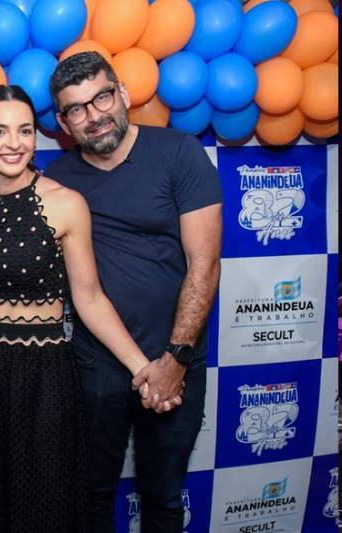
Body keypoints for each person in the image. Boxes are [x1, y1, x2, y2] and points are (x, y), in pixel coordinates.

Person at [0, 84, 160, 533]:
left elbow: (90, 298)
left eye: (25, 130)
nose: (13, 143)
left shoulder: (66, 203)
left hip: (44, 376)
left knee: (43, 506)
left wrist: (142, 368)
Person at [46, 51, 222, 532]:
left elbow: (204, 265)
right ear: (63, 122)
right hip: (95, 365)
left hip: (175, 357)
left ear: (122, 94)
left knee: (162, 495)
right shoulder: (57, 182)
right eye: (76, 108)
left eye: (102, 97)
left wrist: (175, 360)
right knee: (90, 494)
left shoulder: (179, 152)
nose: (93, 115)